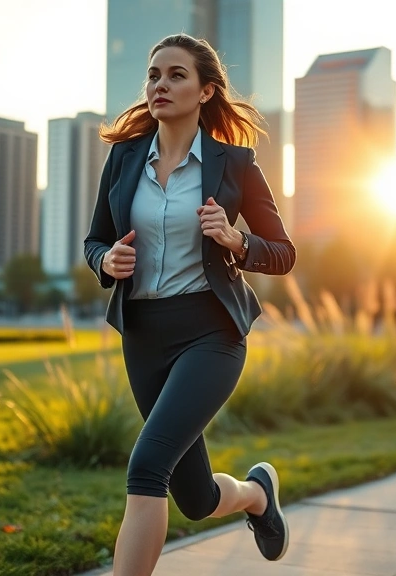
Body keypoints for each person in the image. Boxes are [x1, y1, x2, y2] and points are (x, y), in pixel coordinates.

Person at [84, 33, 296, 575]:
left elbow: (284, 253)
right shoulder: (124, 158)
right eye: (154, 75)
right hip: (144, 335)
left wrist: (236, 241)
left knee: (147, 466)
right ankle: (255, 496)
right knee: (194, 498)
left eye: (176, 74)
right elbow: (95, 241)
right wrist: (106, 261)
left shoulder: (236, 165)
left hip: (212, 333)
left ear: (205, 91)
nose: (160, 84)